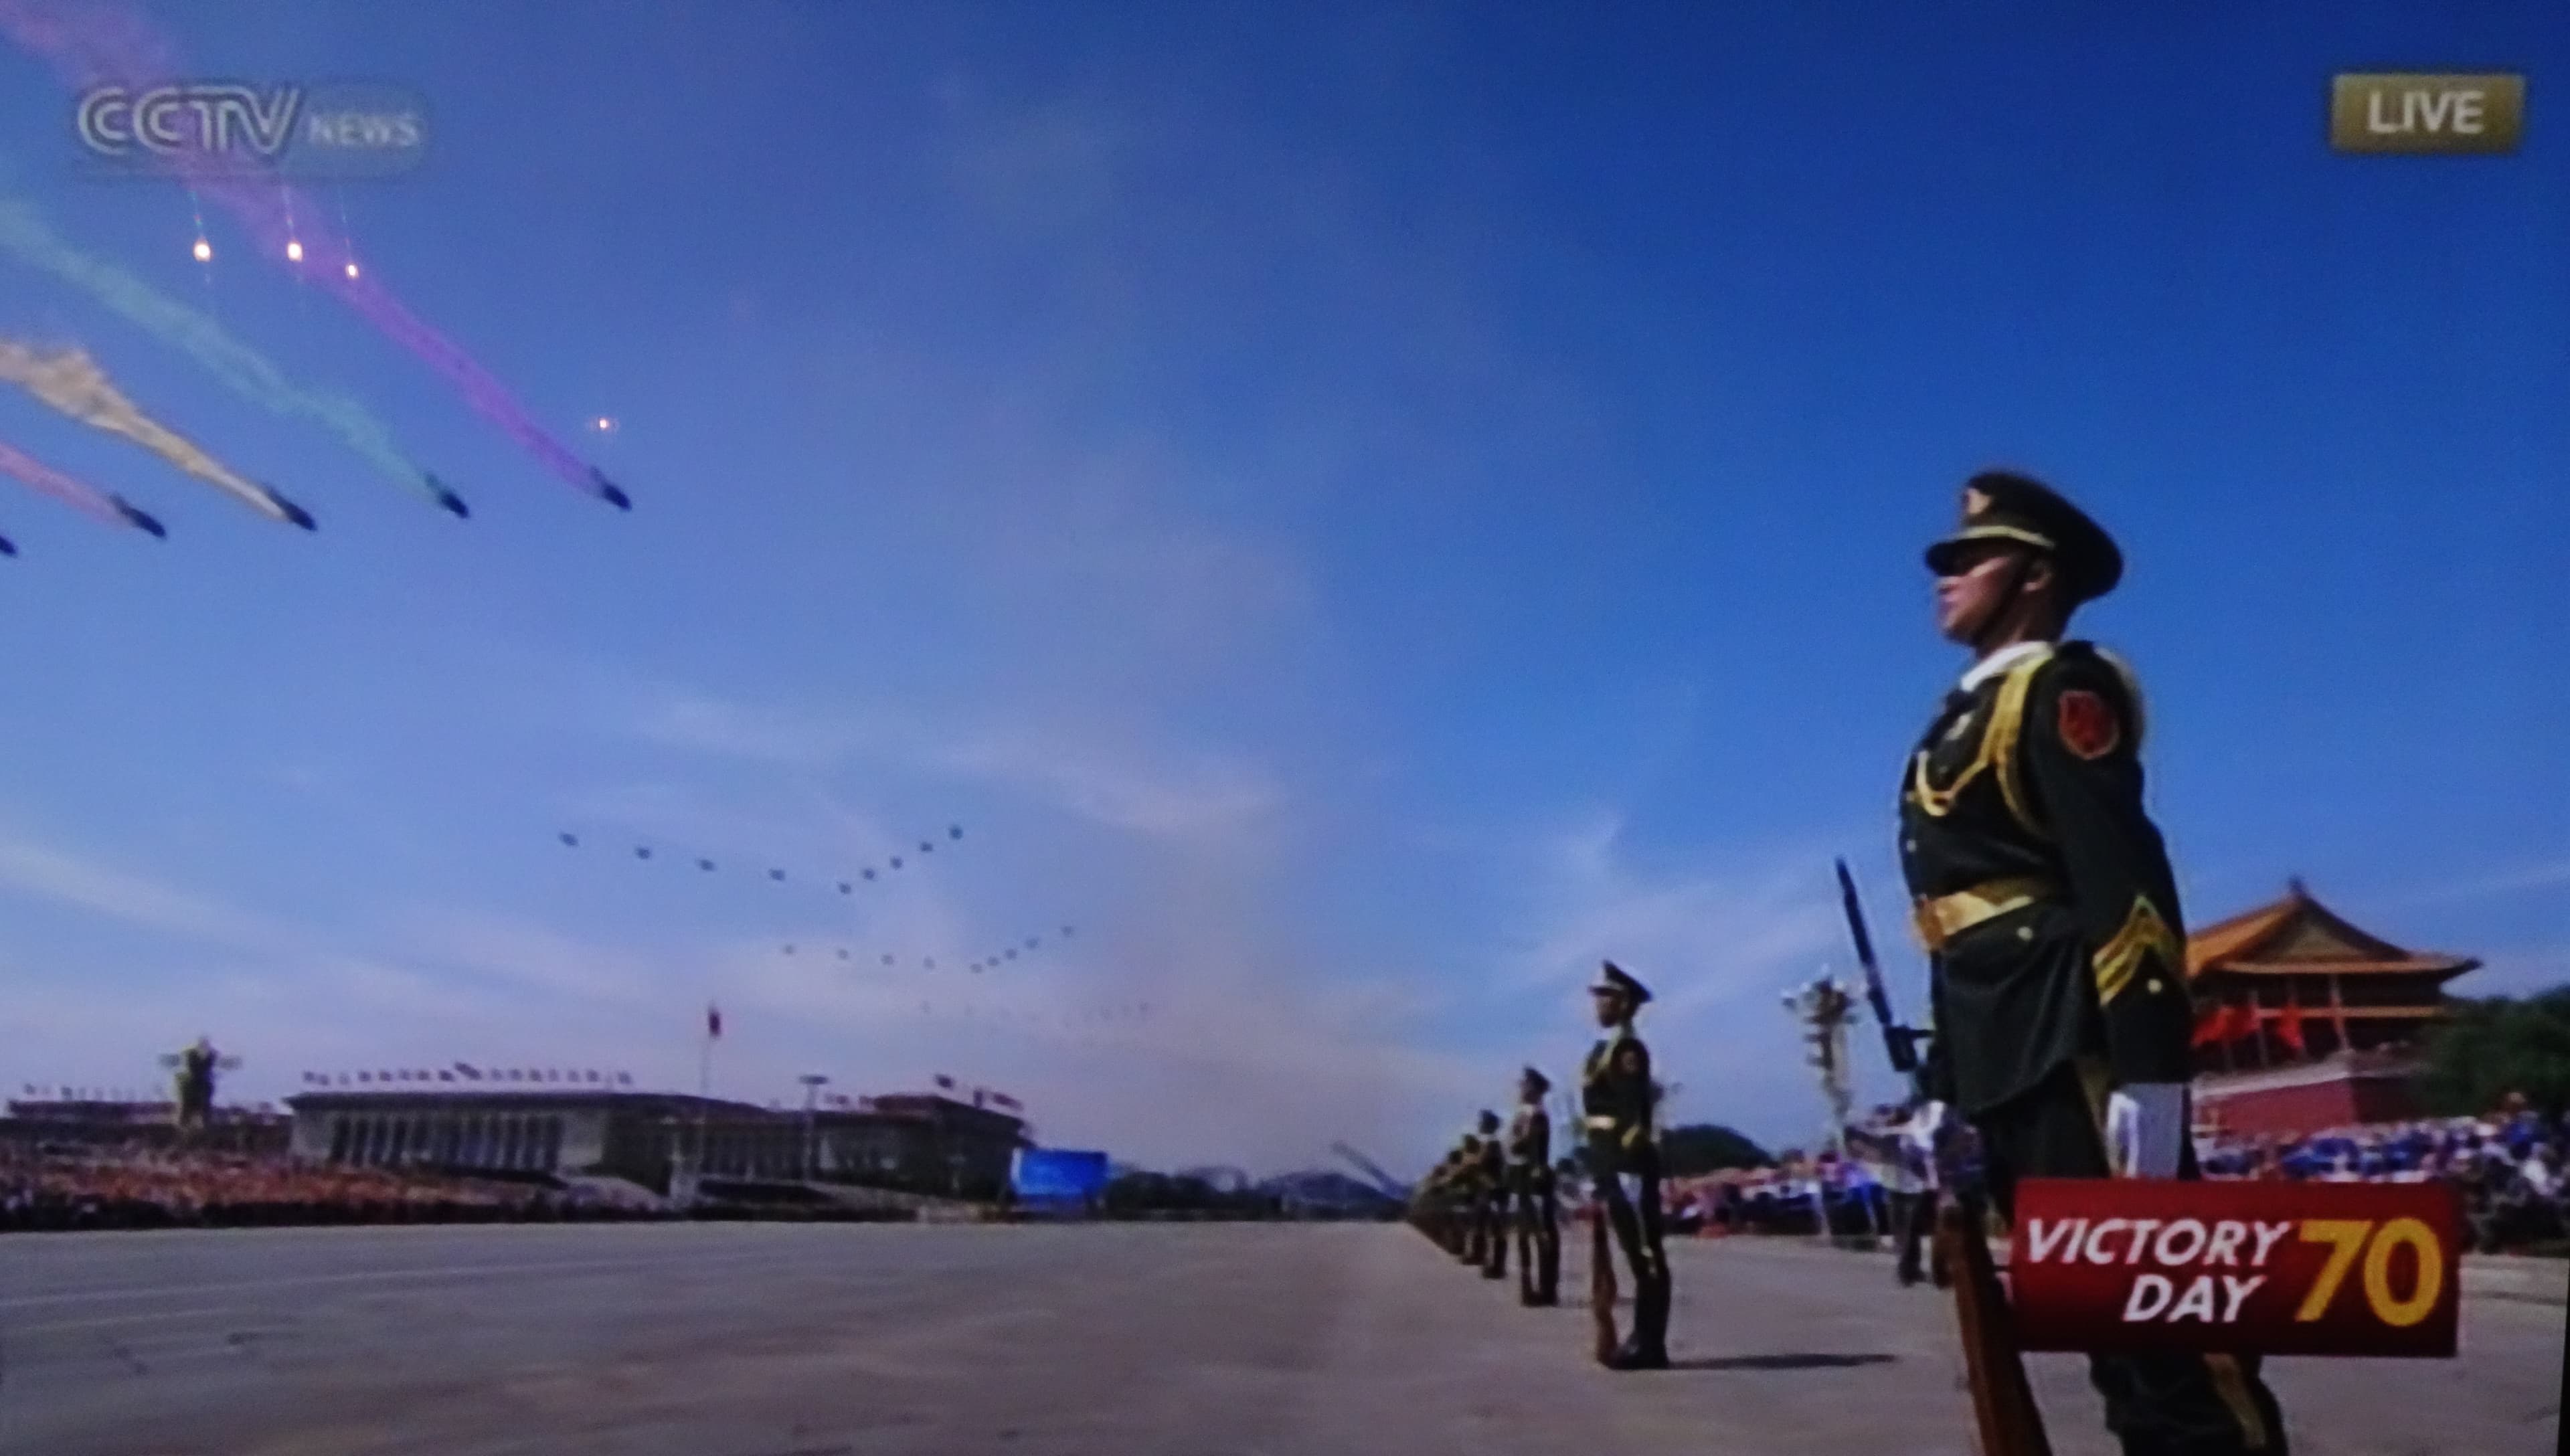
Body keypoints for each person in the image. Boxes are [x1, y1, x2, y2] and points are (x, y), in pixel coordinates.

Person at [1900, 470, 2288, 1454]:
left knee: (2170, 1342)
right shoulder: (1956, 716)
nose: (1942, 576)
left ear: (2033, 576)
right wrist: (1947, 1083)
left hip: (2073, 1042)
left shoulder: (2062, 689)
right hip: (2003, 1052)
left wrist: (2153, 1075)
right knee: (2102, 1332)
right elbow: (1956, 928)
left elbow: (2126, 884)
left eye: (1967, 559)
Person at [1582, 960, 1671, 1370]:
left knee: (1646, 1254)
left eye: (1605, 998)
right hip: (1609, 1164)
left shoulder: (1628, 1051)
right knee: (1633, 1252)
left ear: (1624, 1003)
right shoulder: (1607, 1049)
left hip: (1627, 1165)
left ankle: (1650, 1342)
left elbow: (1635, 1115)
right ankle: (1642, 1338)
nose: (1598, 1005)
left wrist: (1623, 1163)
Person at [1509, 1067, 1561, 1305]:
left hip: (1535, 1179)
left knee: (1541, 1235)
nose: (1521, 1089)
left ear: (1535, 1090)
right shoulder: (1525, 1115)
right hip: (1524, 1177)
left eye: (1525, 1085)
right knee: (1526, 1234)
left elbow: (1525, 1148)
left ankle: (1546, 1288)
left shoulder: (1536, 1116)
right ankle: (1531, 1286)